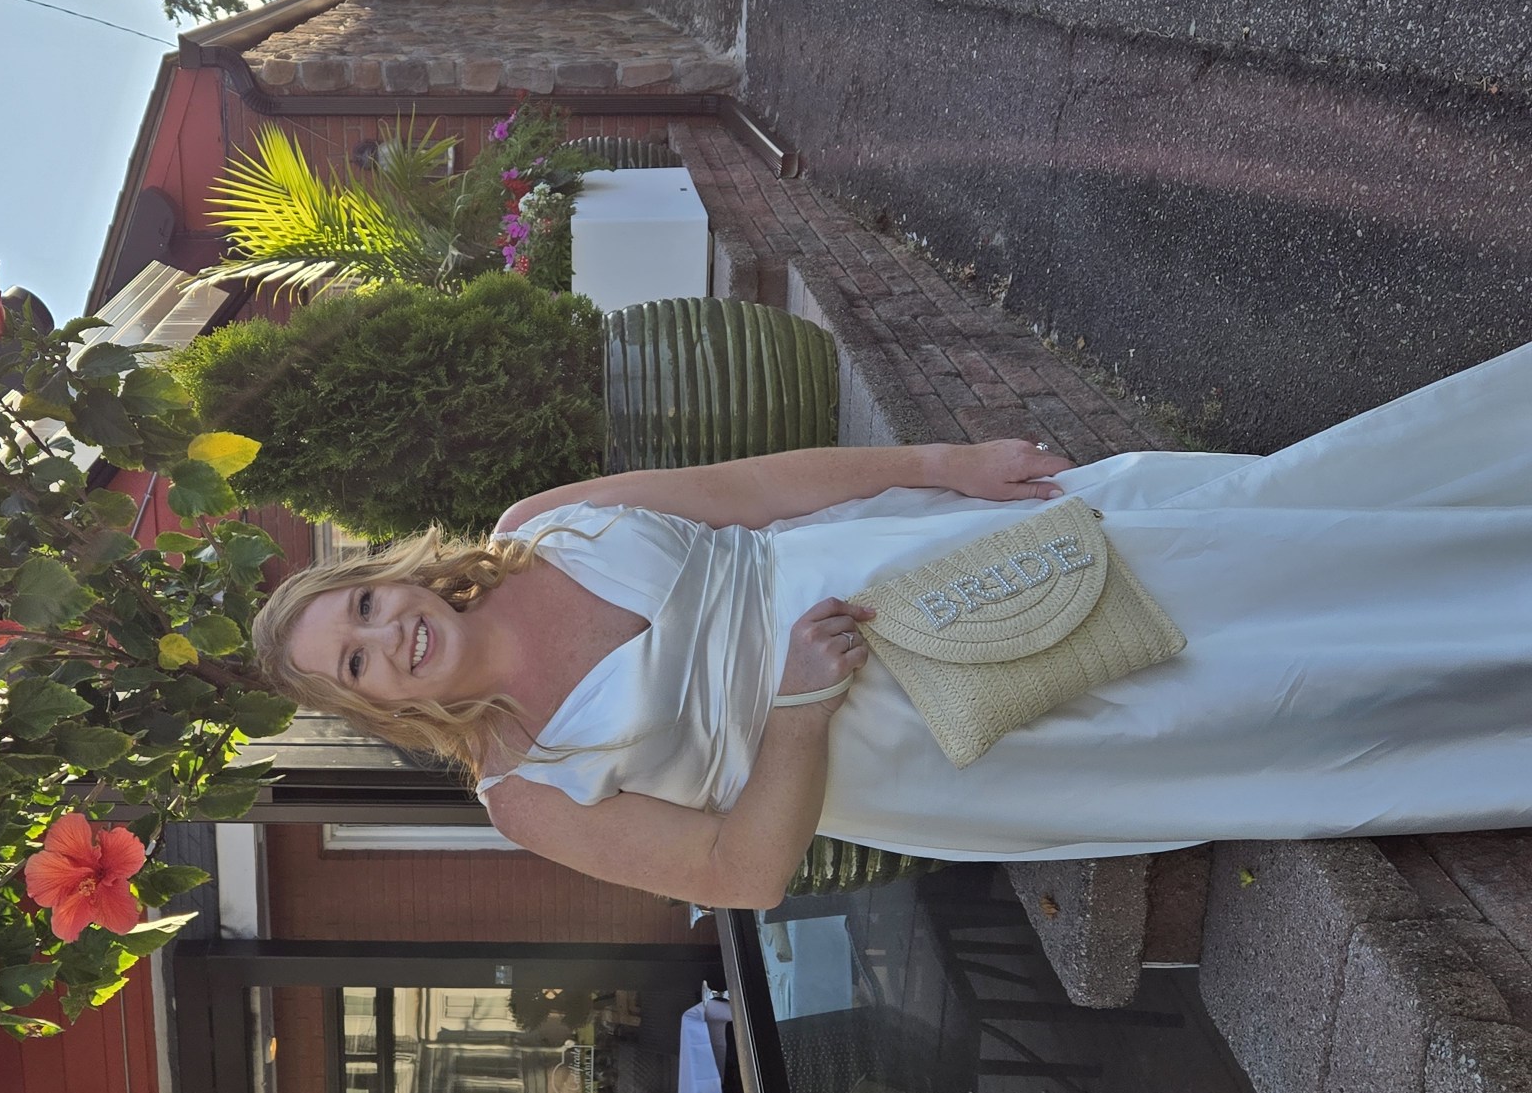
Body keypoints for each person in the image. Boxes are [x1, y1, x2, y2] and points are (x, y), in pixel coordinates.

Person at [253, 344, 1532, 908]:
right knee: (1238, 707)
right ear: (377, 705)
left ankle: (1484, 553)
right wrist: (794, 715)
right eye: (355, 662)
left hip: (920, 563)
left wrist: (946, 461)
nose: (386, 633)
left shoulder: (536, 524)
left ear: (385, 575)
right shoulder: (524, 791)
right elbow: (737, 875)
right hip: (911, 741)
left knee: (1234, 547)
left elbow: (747, 491)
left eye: (362, 603)